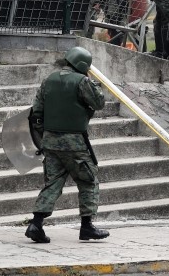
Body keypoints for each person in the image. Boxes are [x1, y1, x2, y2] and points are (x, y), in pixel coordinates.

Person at [24, 46, 109, 243]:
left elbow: (37, 111)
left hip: (50, 142)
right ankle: (87, 227)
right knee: (88, 181)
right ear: (82, 65)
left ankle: (36, 223)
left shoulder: (49, 79)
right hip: (74, 142)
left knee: (52, 183)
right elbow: (99, 103)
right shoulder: (82, 81)